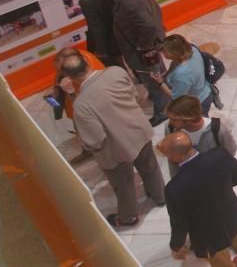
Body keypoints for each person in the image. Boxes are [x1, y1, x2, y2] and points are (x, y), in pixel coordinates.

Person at [64, 54, 165, 227]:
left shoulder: (81, 104)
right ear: (87, 62)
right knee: (150, 167)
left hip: (116, 150)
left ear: (70, 78)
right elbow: (135, 96)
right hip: (139, 131)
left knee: (124, 185)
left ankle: (128, 217)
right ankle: (160, 196)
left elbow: (95, 139)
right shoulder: (116, 72)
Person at [159, 132, 237, 266]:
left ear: (175, 156)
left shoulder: (174, 188)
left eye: (166, 154)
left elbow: (180, 223)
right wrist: (221, 188)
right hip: (233, 216)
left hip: (207, 236)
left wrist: (176, 245)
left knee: (221, 261)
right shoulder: (220, 155)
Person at [102, 0, 168, 126]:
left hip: (145, 51)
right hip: (153, 43)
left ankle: (163, 110)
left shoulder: (129, 2)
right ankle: (165, 95)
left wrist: (142, 47)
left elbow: (147, 26)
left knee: (152, 78)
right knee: (158, 73)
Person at [51, 47, 104, 164]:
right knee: (80, 128)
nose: (60, 72)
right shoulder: (72, 62)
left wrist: (70, 92)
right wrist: (56, 87)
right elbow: (59, 75)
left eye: (62, 70)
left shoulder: (90, 75)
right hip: (74, 106)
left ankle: (100, 153)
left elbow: (84, 103)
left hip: (88, 109)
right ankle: (87, 151)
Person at [164, 95, 237, 177]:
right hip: (186, 180)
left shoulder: (219, 131)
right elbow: (172, 158)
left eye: (174, 119)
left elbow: (230, 152)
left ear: (189, 119)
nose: (170, 122)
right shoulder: (170, 128)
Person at [64, 0, 120, 67]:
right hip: (125, 32)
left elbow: (96, 27)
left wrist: (101, 52)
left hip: (111, 40)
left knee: (119, 69)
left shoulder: (86, 0)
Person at [155, 35, 213, 115]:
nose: (162, 53)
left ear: (173, 53)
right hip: (204, 91)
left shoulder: (182, 75)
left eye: (164, 51)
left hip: (198, 103)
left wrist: (160, 82)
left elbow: (176, 97)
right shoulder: (193, 49)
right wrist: (168, 74)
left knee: (198, 125)